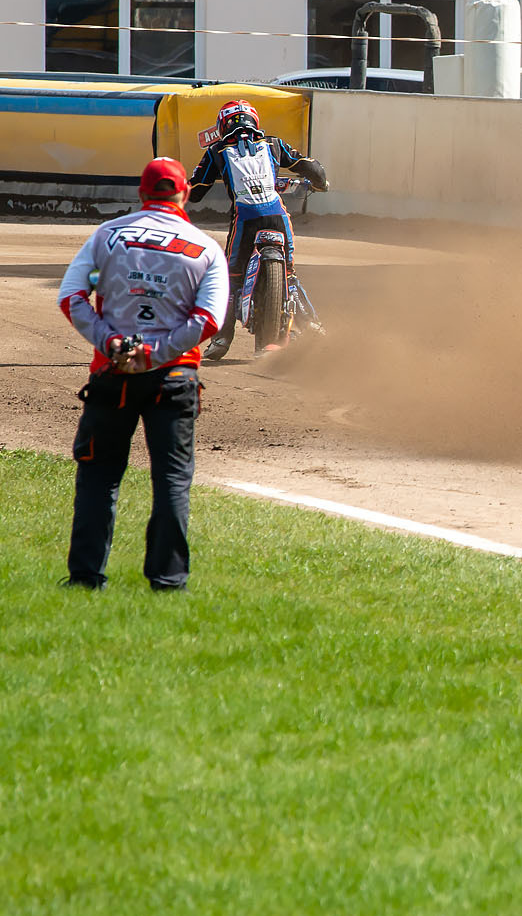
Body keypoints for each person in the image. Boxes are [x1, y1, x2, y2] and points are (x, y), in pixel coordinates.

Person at [57, 158, 230, 591]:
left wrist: (110, 342)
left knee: (99, 475)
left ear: (141, 193)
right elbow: (208, 320)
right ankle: (168, 583)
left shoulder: (108, 237)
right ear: (185, 193)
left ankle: (84, 579)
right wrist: (155, 353)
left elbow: (73, 296)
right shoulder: (205, 249)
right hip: (173, 378)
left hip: (112, 374)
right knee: (171, 479)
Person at [187, 99, 328, 357]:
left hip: (245, 219)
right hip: (277, 216)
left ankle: (221, 340)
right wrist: (321, 183)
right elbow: (310, 166)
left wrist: (181, 189)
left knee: (232, 276)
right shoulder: (274, 144)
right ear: (255, 122)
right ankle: (312, 326)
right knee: (289, 273)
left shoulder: (216, 151)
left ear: (222, 125)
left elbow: (196, 192)